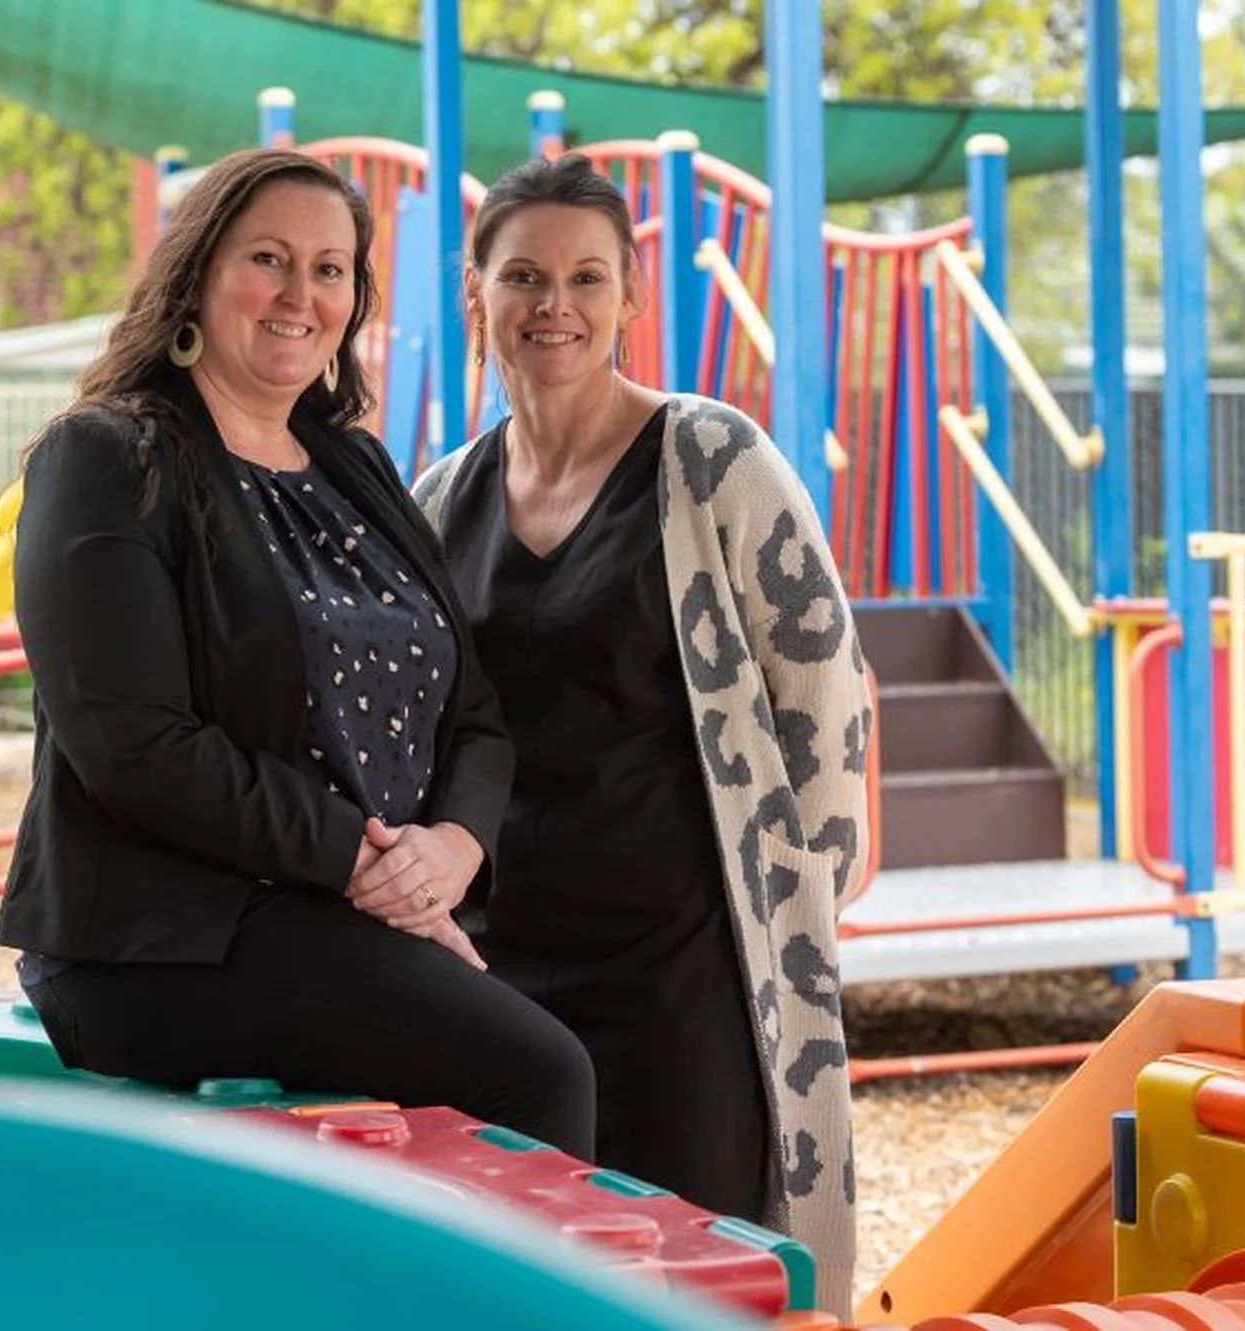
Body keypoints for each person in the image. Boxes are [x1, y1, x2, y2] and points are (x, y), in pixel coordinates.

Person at [0, 148, 595, 1159]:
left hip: (346, 911)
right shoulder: (109, 456)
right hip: (165, 936)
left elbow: (475, 711)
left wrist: (450, 848)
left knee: (560, 1022)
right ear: (196, 272)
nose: (299, 294)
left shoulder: (352, 463)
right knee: (537, 1069)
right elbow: (131, 742)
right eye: (266, 258)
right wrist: (361, 864)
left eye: (329, 270)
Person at [412, 154, 872, 1318]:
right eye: (521, 276)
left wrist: (796, 910)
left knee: (696, 1281)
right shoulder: (436, 500)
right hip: (497, 980)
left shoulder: (711, 462)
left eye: (583, 276)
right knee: (524, 1284)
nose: (550, 304)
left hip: (683, 980)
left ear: (628, 298)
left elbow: (823, 694)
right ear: (477, 298)